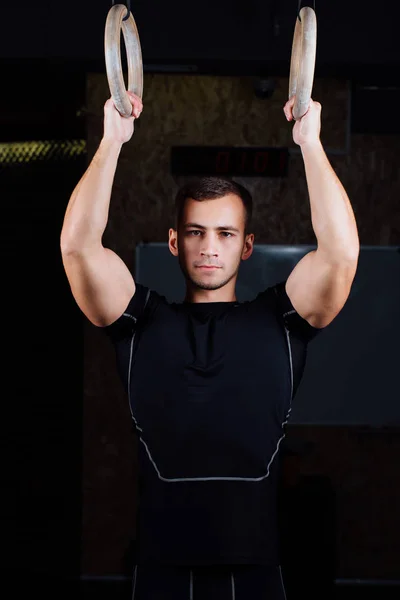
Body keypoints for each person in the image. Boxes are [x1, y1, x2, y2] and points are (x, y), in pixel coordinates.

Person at [60, 90, 359, 600]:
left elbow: (340, 252)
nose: (209, 247)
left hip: (257, 575)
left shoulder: (280, 323)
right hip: (161, 574)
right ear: (176, 241)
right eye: (196, 232)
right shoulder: (139, 322)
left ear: (246, 245)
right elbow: (78, 247)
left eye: (224, 233)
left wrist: (310, 143)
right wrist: (111, 140)